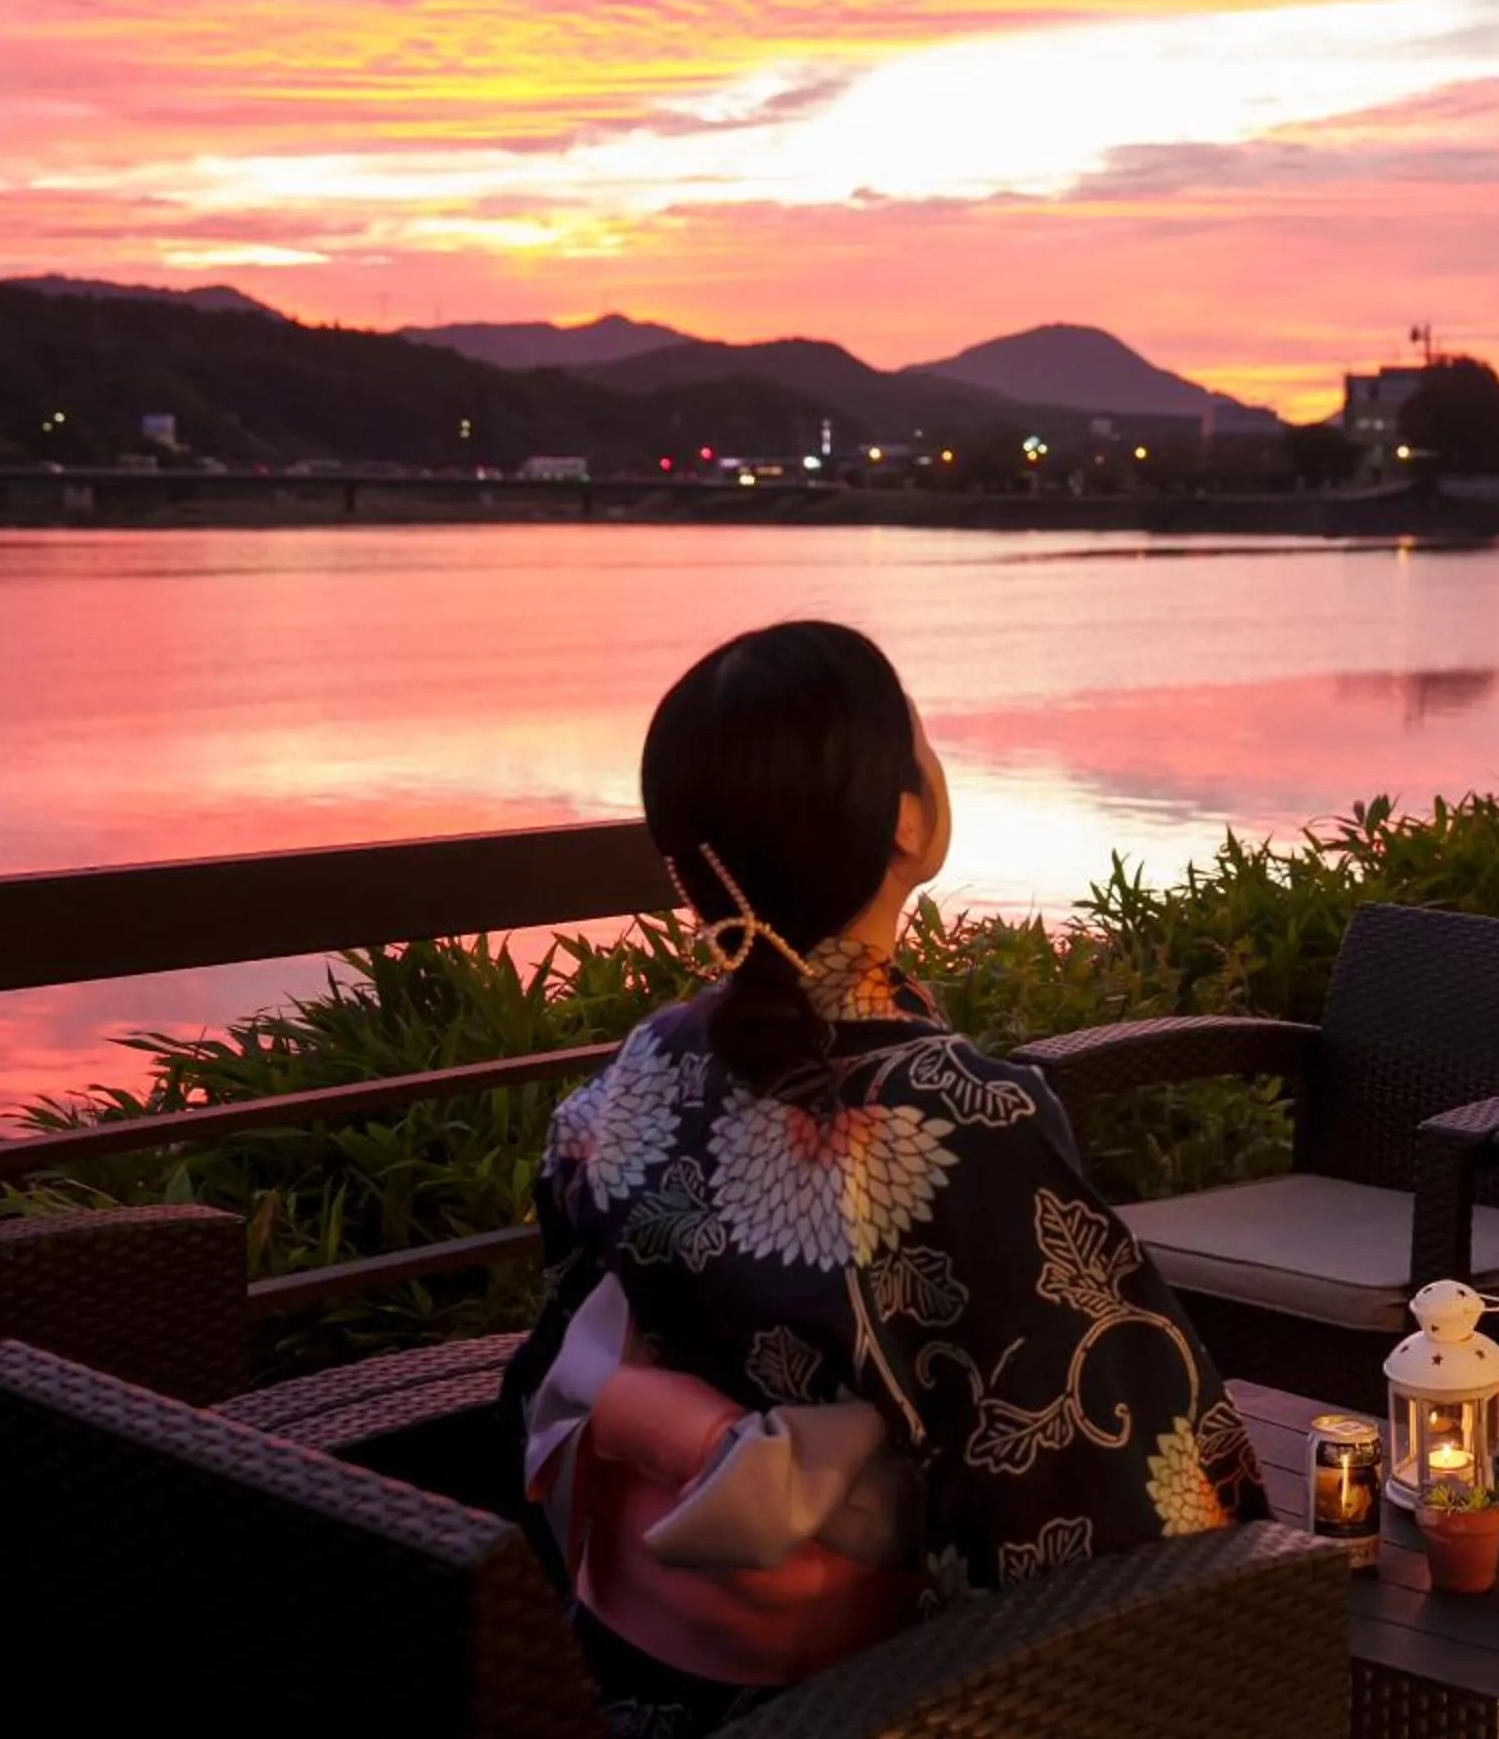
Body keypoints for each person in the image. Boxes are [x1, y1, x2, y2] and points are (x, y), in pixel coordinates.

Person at [503, 620, 1261, 1736]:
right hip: (899, 1692)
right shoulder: (965, 1116)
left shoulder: (643, 1069)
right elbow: (1117, 1454)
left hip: (633, 1673)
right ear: (904, 818)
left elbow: (569, 1321)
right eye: (921, 739)